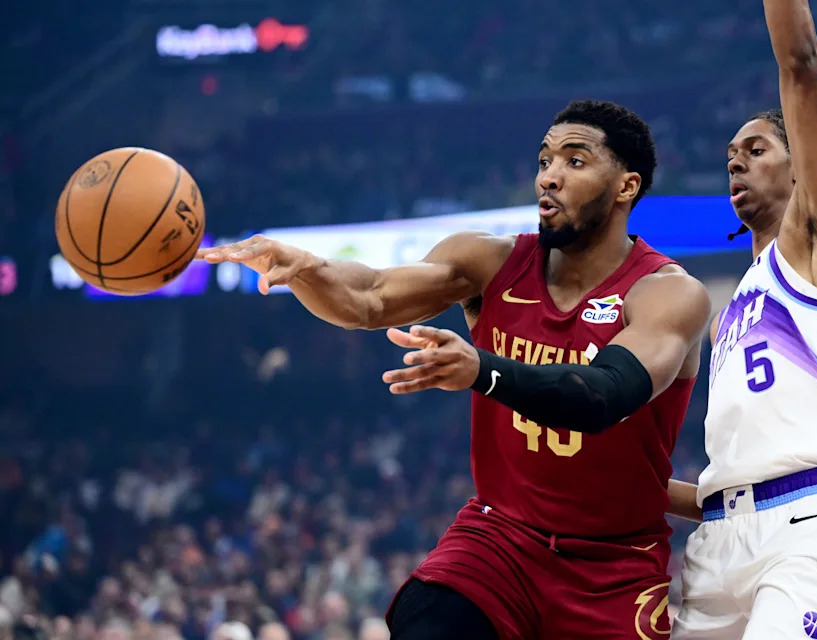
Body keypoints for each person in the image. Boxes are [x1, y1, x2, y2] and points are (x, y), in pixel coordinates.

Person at [198, 100, 711, 639]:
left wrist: (481, 370)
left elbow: (602, 396)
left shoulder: (666, 293)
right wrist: (310, 270)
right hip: (499, 542)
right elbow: (370, 297)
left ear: (626, 186)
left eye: (574, 161)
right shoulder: (489, 261)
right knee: (429, 617)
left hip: (611, 566)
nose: (550, 177)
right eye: (544, 160)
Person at [666, 1, 817, 638]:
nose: (735, 161)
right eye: (730, 155)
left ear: (800, 165)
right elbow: (731, 480)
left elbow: (802, 65)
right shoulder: (724, 314)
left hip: (815, 526)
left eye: (756, 148)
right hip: (720, 539)